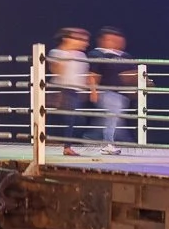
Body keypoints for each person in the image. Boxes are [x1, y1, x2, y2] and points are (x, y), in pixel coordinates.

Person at [46, 27, 95, 155]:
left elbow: (86, 74)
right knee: (72, 119)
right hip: (62, 90)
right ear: (67, 39)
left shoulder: (81, 55)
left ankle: (64, 145)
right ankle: (65, 146)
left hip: (76, 91)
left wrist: (92, 89)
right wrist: (66, 52)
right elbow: (56, 70)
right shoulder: (56, 52)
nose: (85, 43)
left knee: (75, 120)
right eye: (80, 39)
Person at [91, 27, 134, 153]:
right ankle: (108, 144)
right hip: (106, 91)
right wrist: (94, 91)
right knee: (112, 118)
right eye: (111, 39)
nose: (116, 42)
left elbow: (132, 73)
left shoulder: (125, 56)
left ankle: (92, 136)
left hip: (121, 93)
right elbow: (92, 74)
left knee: (113, 119)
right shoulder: (97, 54)